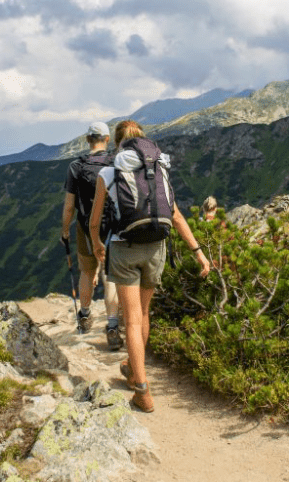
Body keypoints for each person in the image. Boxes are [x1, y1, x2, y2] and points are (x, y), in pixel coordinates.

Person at [90, 120, 210, 413]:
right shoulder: (159, 170)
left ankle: (141, 389)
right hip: (157, 247)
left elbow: (94, 221)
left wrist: (96, 242)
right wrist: (199, 254)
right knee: (143, 314)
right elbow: (177, 216)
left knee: (130, 319)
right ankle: (133, 369)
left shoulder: (109, 172)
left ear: (118, 143)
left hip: (125, 247)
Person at [61, 121, 124, 350]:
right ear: (107, 140)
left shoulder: (75, 167)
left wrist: (65, 229)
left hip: (86, 226)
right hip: (114, 226)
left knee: (87, 272)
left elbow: (69, 206)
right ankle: (113, 327)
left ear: (88, 140)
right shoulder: (115, 162)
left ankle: (85, 315)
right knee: (111, 279)